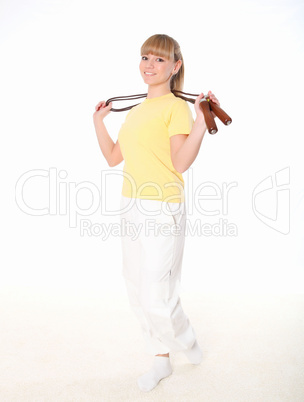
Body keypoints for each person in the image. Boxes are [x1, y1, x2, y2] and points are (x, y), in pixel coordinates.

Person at [92, 34, 220, 392]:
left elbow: (180, 163)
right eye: (145, 57)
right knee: (136, 288)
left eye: (160, 60)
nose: (150, 65)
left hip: (163, 208)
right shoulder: (134, 112)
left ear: (175, 66)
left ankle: (188, 342)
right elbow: (114, 157)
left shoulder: (176, 108)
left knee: (156, 293)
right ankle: (160, 360)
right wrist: (98, 122)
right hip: (130, 204)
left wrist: (199, 121)